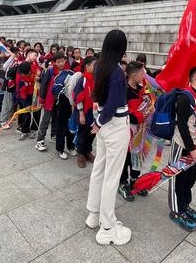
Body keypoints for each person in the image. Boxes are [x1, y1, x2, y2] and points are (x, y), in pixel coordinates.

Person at [86, 29, 132, 246]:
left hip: (104, 126)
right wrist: (99, 122)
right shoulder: (116, 71)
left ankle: (93, 214)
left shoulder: (100, 66)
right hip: (114, 125)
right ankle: (107, 225)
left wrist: (98, 122)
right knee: (111, 176)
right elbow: (113, 105)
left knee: (99, 169)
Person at [168, 66, 196, 232]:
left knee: (189, 178)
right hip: (183, 146)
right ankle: (176, 211)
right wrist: (191, 148)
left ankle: (185, 205)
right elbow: (182, 126)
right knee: (177, 177)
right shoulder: (185, 97)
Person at [118, 61, 147, 202]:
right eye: (142, 73)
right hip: (127, 129)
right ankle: (123, 183)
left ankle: (135, 180)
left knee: (137, 156)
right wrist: (140, 115)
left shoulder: (142, 89)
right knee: (126, 156)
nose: (144, 75)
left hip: (140, 130)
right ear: (134, 75)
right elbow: (124, 111)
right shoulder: (123, 90)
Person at [35, 53, 67, 152]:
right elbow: (43, 85)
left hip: (60, 101)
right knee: (45, 120)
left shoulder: (67, 72)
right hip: (49, 100)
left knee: (56, 119)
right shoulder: (50, 71)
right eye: (58, 62)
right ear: (54, 62)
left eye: (63, 61)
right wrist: (42, 99)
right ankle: (40, 140)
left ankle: (53, 135)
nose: (61, 63)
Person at [74, 55, 97, 168]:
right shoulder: (82, 80)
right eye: (94, 65)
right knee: (82, 133)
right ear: (87, 66)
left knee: (92, 132)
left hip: (94, 111)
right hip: (84, 111)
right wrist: (81, 114)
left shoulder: (97, 78)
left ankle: (88, 151)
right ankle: (81, 154)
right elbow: (78, 98)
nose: (96, 67)